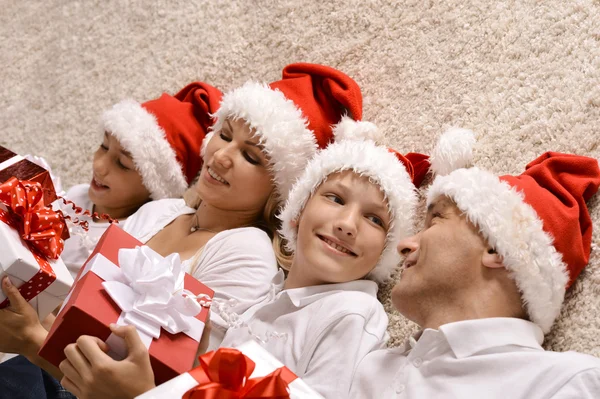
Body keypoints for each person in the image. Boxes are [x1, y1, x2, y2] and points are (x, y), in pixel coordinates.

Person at [0, 62, 365, 399]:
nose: (222, 156)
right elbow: (76, 307)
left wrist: (33, 340)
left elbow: (174, 386)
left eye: (251, 157)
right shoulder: (163, 211)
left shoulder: (246, 251)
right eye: (224, 135)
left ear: (278, 191)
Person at [350, 130, 600, 398]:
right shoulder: (369, 368)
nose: (404, 245)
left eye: (434, 221)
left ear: (497, 250)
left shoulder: (568, 383)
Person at [220, 117, 430, 398]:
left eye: (374, 219)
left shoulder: (351, 312)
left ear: (384, 252)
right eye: (336, 199)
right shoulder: (264, 294)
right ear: (298, 212)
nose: (347, 224)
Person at [59, 81, 222, 279]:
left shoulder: (131, 237)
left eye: (122, 164)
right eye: (103, 146)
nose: (100, 166)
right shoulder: (76, 196)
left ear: (153, 188)